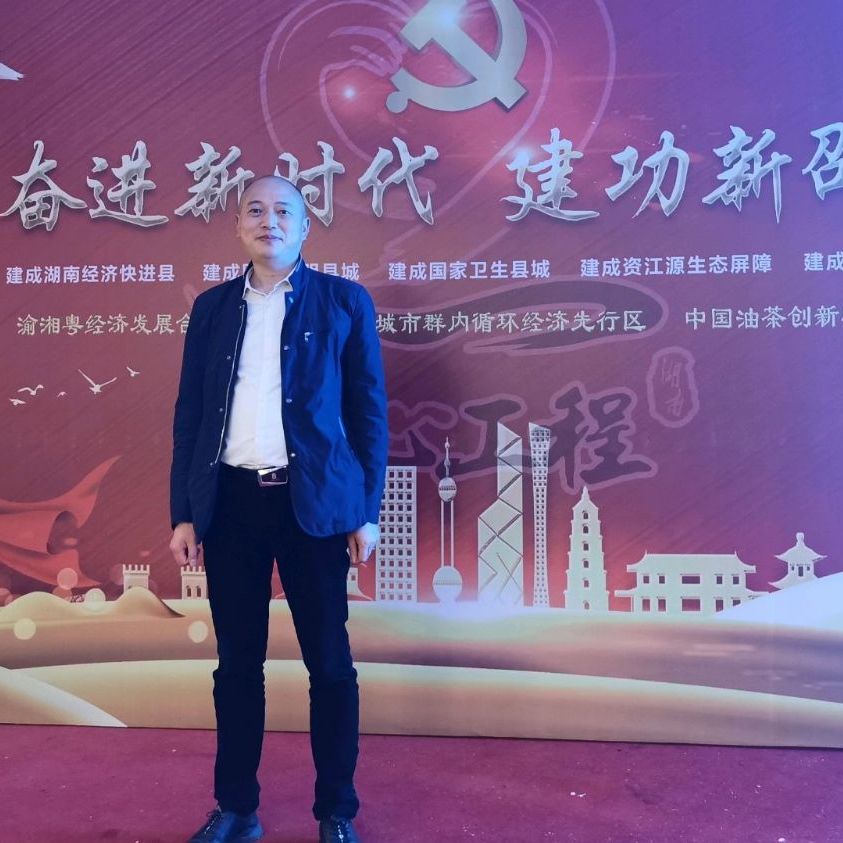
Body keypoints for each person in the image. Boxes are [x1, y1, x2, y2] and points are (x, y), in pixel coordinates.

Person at [169, 175, 387, 843]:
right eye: (256, 211)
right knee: (237, 665)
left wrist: (365, 509)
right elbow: (190, 415)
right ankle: (237, 808)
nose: (270, 221)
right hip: (231, 506)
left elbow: (368, 413)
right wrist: (184, 512)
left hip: (312, 506)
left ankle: (336, 811)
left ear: (305, 226)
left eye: (284, 210)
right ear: (238, 225)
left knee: (330, 663)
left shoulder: (344, 301)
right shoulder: (212, 309)